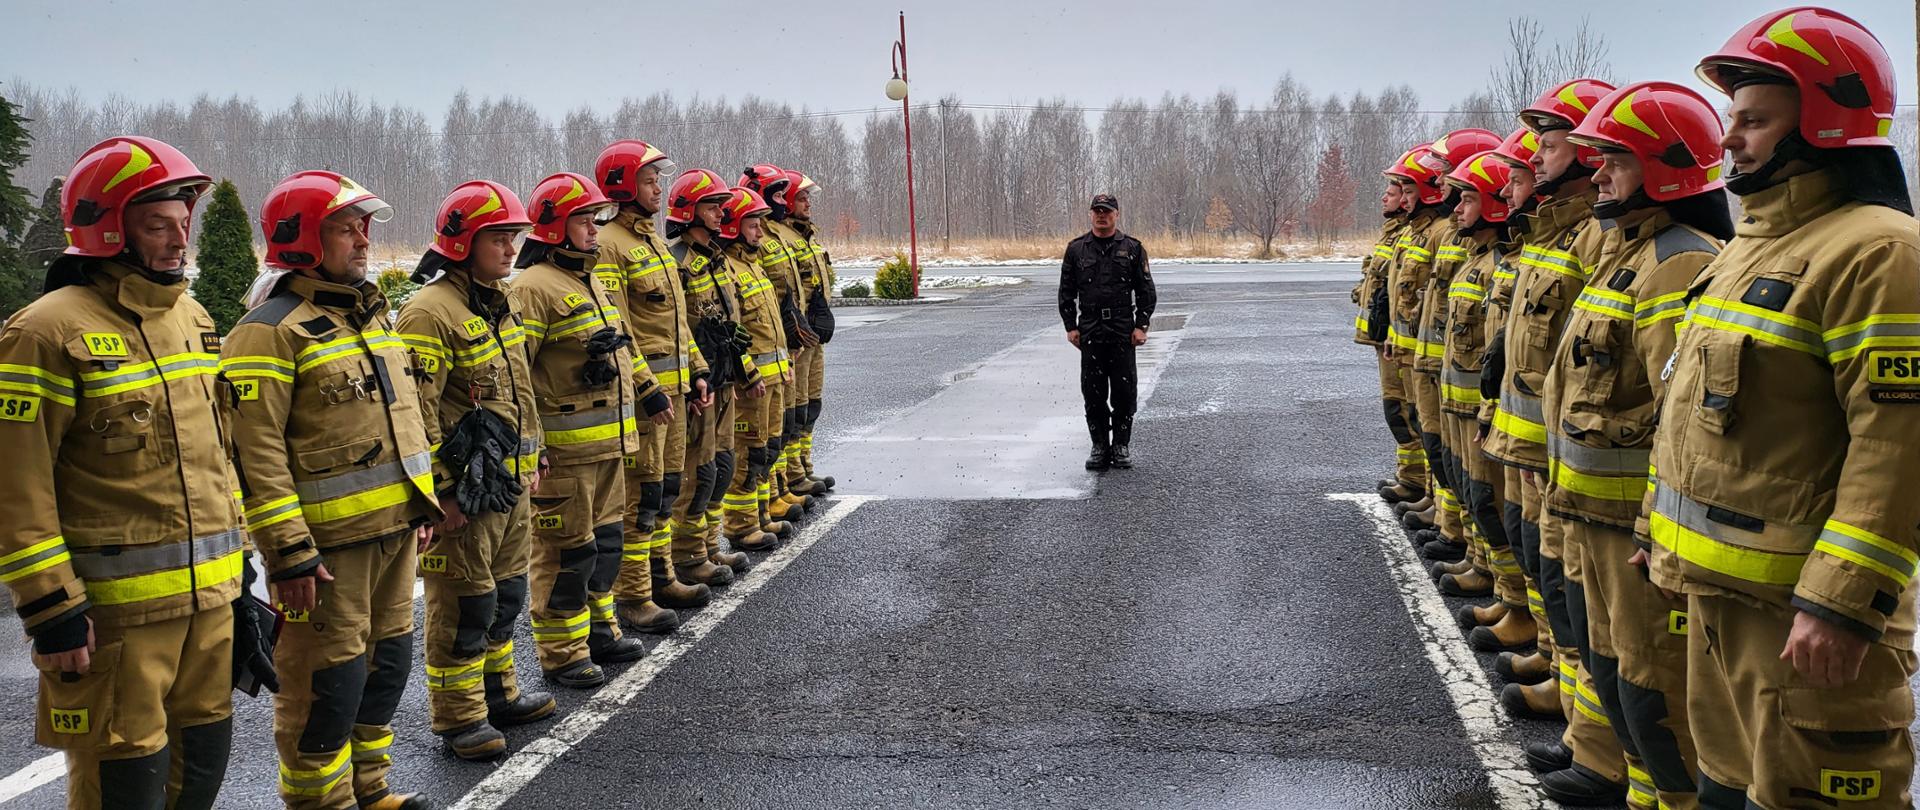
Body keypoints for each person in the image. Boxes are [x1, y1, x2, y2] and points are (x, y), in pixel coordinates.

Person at [1647, 8, 1919, 807]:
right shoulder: (1747, 248)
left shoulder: (1879, 251)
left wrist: (1840, 604)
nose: (1730, 140)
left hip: (1807, 628)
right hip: (1719, 602)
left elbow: (1897, 446)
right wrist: (1654, 537)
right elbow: (1691, 410)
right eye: (1733, 121)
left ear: (1828, 121)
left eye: (1755, 121)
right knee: (1728, 791)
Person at [0, 136, 240, 809]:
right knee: (122, 786)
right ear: (108, 228)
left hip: (210, 608)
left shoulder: (191, 317)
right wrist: (53, 613)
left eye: (183, 224)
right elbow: (17, 489)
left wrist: (237, 577)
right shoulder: (44, 331)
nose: (177, 241)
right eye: (157, 225)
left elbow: (215, 458)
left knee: (201, 773)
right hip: (117, 622)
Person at [1539, 81, 1734, 809]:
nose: (1596, 175)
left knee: (1653, 686)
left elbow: (1675, 412)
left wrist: (1655, 524)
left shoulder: (1677, 261)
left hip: (1630, 523)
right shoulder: (1633, 251)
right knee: (1615, 670)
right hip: (1593, 507)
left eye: (1613, 160)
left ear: (1663, 168)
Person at [223, 170, 439, 809]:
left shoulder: (371, 317)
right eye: (346, 228)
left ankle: (369, 792)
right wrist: (288, 554)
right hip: (324, 555)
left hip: (394, 535)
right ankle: (323, 804)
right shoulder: (267, 331)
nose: (363, 240)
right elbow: (255, 456)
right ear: (299, 239)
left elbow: (406, 424)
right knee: (327, 686)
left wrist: (421, 502)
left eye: (365, 227)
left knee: (387, 668)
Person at [1479, 77, 1630, 802]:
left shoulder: (1605, 238)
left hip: (1589, 469)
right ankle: (1584, 731)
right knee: (1565, 592)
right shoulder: (1562, 234)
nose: (1535, 159)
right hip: (1546, 451)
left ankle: (1599, 747)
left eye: (1548, 143)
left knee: (1599, 616)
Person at [396, 181, 558, 761]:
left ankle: (498, 694)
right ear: (463, 241)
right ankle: (460, 719)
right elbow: (417, 411)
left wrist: (536, 453)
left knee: (506, 595)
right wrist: (440, 491)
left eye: (515, 236)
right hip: (465, 493)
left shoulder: (502, 298)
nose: (511, 248)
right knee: (463, 606)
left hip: (509, 486)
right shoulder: (427, 313)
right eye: (498, 237)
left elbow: (521, 388)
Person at [515, 173, 663, 689]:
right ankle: (561, 653)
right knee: (565, 557)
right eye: (583, 220)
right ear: (555, 227)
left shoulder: (590, 279)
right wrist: (532, 447)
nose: (595, 229)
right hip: (566, 454)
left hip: (607, 446)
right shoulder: (532, 288)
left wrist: (647, 390)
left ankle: (600, 632)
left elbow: (620, 345)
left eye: (597, 219)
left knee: (603, 544)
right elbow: (518, 375)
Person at [592, 140, 716, 627]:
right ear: (623, 186)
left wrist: (699, 369)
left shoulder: (654, 244)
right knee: (641, 497)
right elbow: (618, 330)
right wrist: (645, 388)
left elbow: (677, 321)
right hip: (648, 402)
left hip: (676, 393)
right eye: (648, 180)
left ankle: (661, 577)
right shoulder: (609, 246)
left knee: (665, 491)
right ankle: (635, 596)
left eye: (658, 179)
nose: (658, 188)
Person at [1436, 145, 1534, 658]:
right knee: (1478, 493)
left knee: (1498, 507)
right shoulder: (1483, 260)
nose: (1456, 208)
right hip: (1465, 398)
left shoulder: (1505, 262)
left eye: (1468, 199)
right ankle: (1501, 587)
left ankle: (1516, 603)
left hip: (1505, 417)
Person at [665, 169, 773, 570]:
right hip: (701, 385)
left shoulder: (716, 261)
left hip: (724, 380)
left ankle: (709, 546)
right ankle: (688, 555)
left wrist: (744, 368)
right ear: (689, 211)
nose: (718, 214)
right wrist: (694, 379)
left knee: (721, 468)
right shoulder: (679, 262)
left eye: (720, 207)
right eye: (711, 207)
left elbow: (732, 324)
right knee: (698, 473)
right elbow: (678, 327)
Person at [714, 187, 796, 548]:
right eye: (752, 224)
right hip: (752, 383)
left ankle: (761, 514)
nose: (760, 232)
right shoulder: (729, 269)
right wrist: (746, 373)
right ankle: (742, 525)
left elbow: (767, 325)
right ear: (733, 226)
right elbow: (735, 330)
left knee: (766, 449)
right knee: (747, 454)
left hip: (773, 376)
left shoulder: (753, 266)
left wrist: (784, 364)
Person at [740, 164, 822, 523]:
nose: (801, 203)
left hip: (793, 342)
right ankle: (776, 489)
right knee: (767, 434)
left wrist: (812, 313)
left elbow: (793, 287)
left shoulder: (782, 236)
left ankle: (793, 476)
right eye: (793, 196)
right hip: (774, 349)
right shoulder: (767, 240)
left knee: (798, 414)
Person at [1059, 193, 1156, 470]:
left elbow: (1146, 290)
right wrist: (1071, 327)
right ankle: (1099, 445)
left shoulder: (1133, 248)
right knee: (1093, 393)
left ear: (1117, 214)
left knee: (1124, 392)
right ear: (1091, 214)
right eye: (1097, 211)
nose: (1102, 215)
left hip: (1121, 331)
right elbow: (1066, 292)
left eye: (1107, 211)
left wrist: (1141, 325)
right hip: (1090, 331)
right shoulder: (1077, 249)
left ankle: (1121, 445)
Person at [772, 169, 838, 495]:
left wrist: (821, 310)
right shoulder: (781, 238)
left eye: (807, 197)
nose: (807, 202)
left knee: (811, 406)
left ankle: (804, 467)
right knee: (793, 410)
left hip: (812, 337)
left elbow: (812, 283)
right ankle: (791, 476)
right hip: (798, 341)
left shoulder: (804, 238)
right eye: (801, 197)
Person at [1359, 173, 1423, 504]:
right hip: (1387, 337)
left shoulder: (1410, 234)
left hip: (1400, 341)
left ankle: (1416, 480)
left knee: (1404, 412)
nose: (1385, 199)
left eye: (1393, 193)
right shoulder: (1394, 233)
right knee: (1396, 409)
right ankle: (1410, 475)